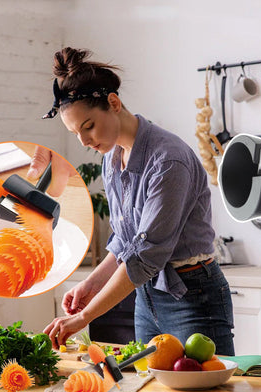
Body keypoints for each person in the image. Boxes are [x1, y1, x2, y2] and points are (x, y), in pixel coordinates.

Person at [40, 47, 234, 355]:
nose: (85, 141)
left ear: (113, 103)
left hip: (193, 296)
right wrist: (90, 286)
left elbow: (145, 256)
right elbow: (126, 242)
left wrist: (84, 317)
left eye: (88, 126)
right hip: (147, 296)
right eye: (76, 133)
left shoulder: (168, 160)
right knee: (151, 389)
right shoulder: (112, 157)